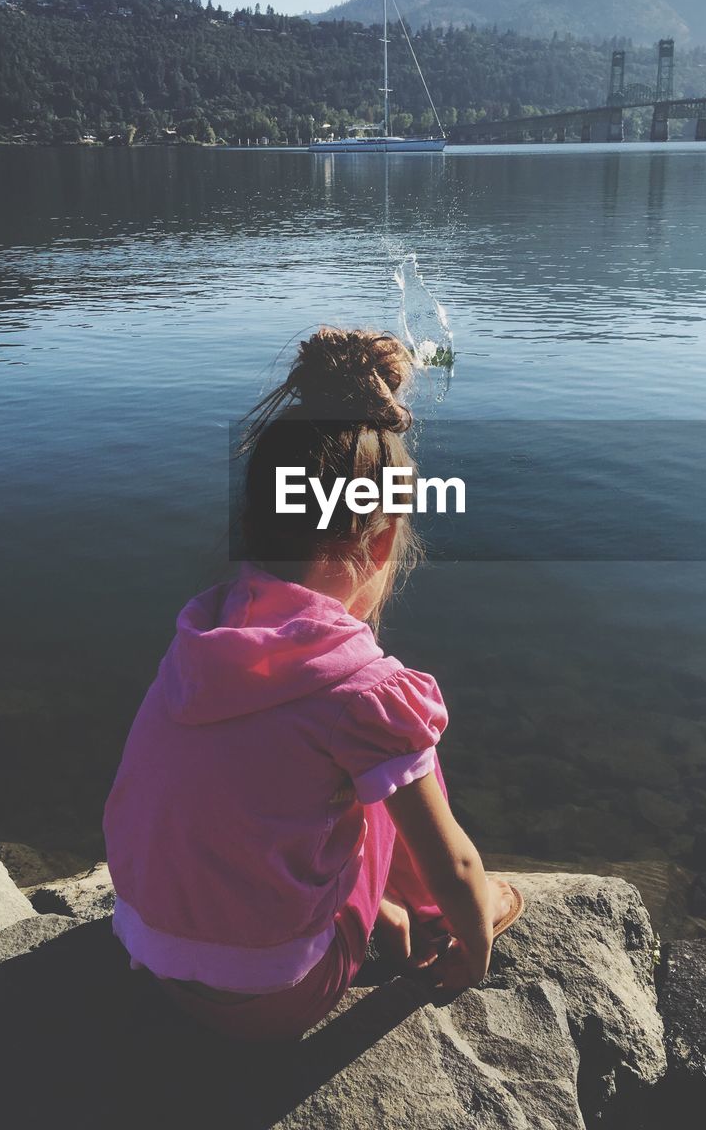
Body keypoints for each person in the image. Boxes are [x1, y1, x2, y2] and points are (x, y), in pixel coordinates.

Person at [103, 327, 523, 1041]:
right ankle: (408, 921)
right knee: (394, 773)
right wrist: (475, 945)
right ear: (383, 538)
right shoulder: (361, 692)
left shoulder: (201, 634)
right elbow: (446, 862)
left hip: (151, 955)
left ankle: (373, 914)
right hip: (276, 999)